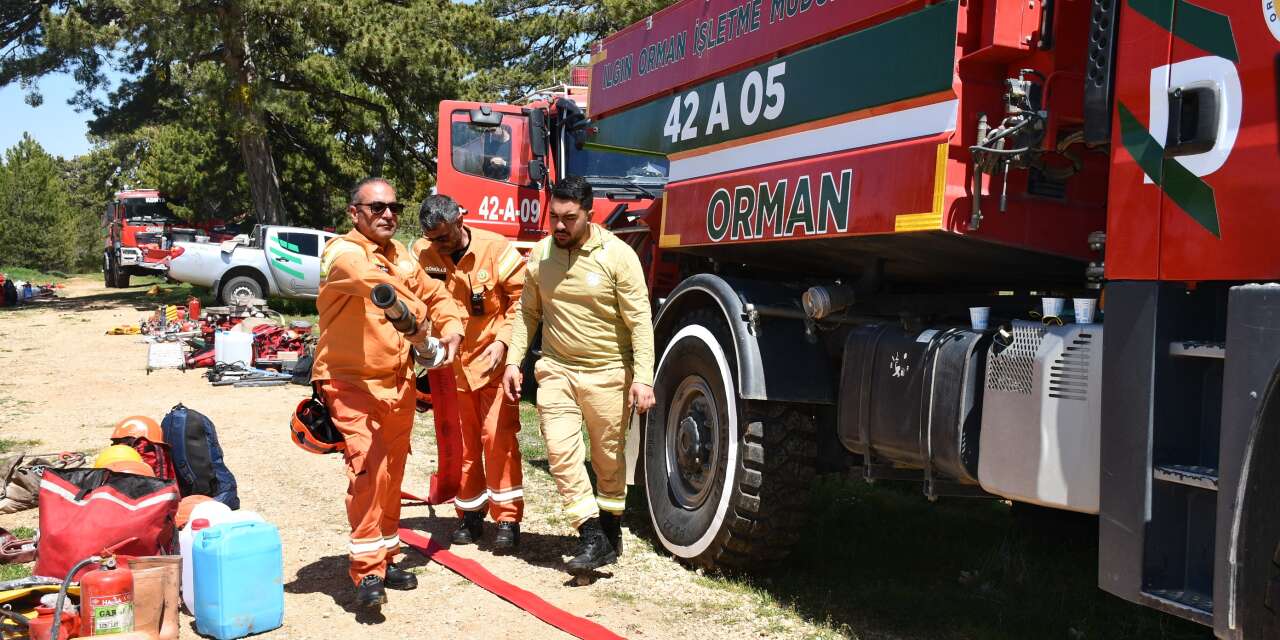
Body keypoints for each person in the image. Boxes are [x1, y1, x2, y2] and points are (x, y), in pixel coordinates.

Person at [312, 177, 466, 609]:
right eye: (376, 207)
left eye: (394, 207)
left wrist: (450, 328)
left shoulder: (401, 255)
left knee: (392, 474)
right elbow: (374, 284)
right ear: (353, 213)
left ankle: (385, 554)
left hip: (397, 384)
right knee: (369, 470)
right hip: (351, 383)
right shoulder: (342, 252)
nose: (387, 214)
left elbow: (435, 294)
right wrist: (419, 324)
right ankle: (366, 573)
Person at [501, 176, 655, 573]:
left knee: (607, 459)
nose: (559, 226)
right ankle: (590, 535)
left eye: (570, 218)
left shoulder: (618, 256)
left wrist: (643, 378)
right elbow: (527, 313)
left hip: (609, 373)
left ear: (589, 214)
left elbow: (640, 322)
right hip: (556, 370)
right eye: (554, 216)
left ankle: (610, 529)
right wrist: (513, 362)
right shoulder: (540, 255)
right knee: (561, 453)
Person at [412, 194, 527, 552]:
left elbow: (522, 301)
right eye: (432, 239)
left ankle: (507, 518)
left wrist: (505, 343)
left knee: (498, 439)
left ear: (460, 221)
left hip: (491, 363)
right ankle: (470, 513)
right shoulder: (422, 254)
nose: (438, 247)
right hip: (452, 370)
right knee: (463, 446)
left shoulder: (496, 249)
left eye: (443, 238)